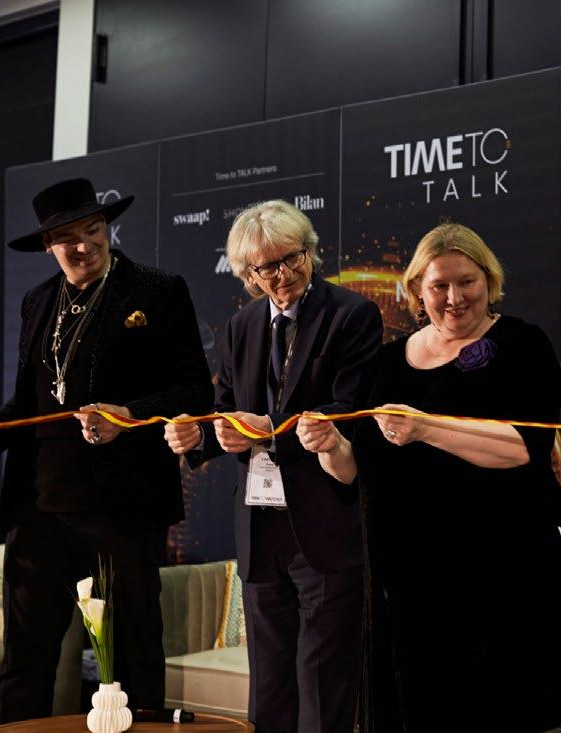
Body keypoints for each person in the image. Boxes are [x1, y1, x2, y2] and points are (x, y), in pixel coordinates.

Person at [0, 177, 212, 723]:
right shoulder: (38, 301)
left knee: (131, 655)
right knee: (25, 659)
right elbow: (27, 404)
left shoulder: (157, 290)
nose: (85, 245)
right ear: (48, 245)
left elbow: (194, 392)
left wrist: (126, 417)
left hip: (122, 509)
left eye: (93, 229)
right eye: (68, 237)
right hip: (36, 508)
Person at [296, 223, 561, 732]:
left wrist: (426, 428)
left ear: (489, 280)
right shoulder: (386, 362)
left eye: (467, 282)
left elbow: (525, 448)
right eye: (439, 286)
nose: (454, 298)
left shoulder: (523, 344)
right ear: (416, 290)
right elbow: (355, 471)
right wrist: (330, 446)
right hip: (410, 586)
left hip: (505, 578)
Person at [162, 200, 382, 733]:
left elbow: (350, 408)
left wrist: (269, 426)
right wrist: (197, 436)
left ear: (310, 252)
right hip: (260, 529)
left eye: (292, 258)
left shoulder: (351, 314)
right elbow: (225, 409)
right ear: (248, 274)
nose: (282, 274)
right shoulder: (241, 326)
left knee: (323, 686)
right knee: (269, 687)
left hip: (323, 523)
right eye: (267, 267)